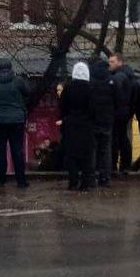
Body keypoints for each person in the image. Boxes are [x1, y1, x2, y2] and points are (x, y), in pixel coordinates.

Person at [0, 57, 30, 188]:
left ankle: (0, 180)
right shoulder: (19, 81)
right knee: (17, 150)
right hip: (17, 120)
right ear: (10, 67)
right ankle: (21, 181)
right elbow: (27, 93)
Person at [59, 62, 96, 191]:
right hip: (86, 126)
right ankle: (85, 183)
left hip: (71, 125)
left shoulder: (68, 88)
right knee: (86, 155)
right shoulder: (91, 88)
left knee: (72, 155)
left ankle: (73, 181)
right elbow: (94, 109)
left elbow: (62, 107)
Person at [89, 59, 116, 187]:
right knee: (105, 150)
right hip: (107, 120)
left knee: (93, 149)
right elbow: (118, 99)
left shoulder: (90, 82)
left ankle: (92, 177)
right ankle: (105, 178)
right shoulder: (111, 81)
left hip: (93, 120)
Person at [109, 53, 135, 175]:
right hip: (126, 111)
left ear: (120, 62)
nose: (110, 64)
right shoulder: (129, 75)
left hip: (118, 112)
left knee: (116, 138)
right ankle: (125, 165)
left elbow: (116, 95)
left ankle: (114, 165)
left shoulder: (118, 77)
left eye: (112, 62)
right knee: (123, 137)